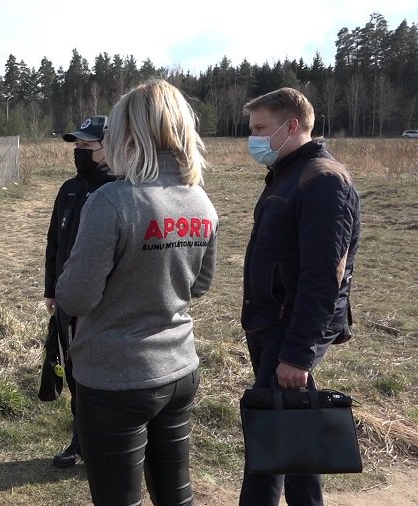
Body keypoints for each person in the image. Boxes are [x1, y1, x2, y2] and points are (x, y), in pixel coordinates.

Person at [56, 79, 218, 505]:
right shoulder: (200, 201)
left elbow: (75, 298)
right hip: (180, 368)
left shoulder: (113, 200)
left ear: (130, 134)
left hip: (115, 377)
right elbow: (200, 285)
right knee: (176, 495)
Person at [238, 88, 361, 506]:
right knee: (289, 427)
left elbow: (323, 277)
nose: (252, 138)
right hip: (271, 324)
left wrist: (299, 352)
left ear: (291, 126)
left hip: (290, 329)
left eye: (259, 129)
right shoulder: (288, 174)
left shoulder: (323, 180)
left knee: (270, 433)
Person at [43, 114, 116, 468]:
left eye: (89, 145)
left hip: (103, 305)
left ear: (110, 147)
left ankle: (110, 445)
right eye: (78, 145)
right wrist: (51, 290)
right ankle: (81, 439)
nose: (80, 152)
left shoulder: (117, 192)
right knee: (73, 374)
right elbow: (54, 243)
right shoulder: (69, 190)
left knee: (101, 379)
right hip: (68, 300)